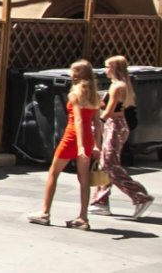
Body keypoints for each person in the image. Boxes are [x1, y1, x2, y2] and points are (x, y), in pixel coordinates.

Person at [28, 59, 101, 229]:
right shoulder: (95, 95)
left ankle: (45, 213)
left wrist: (80, 146)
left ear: (76, 74)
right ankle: (83, 218)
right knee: (84, 179)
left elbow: (78, 121)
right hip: (88, 139)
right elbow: (97, 123)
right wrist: (96, 145)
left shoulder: (74, 94)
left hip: (72, 138)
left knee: (53, 173)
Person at [90, 55, 154, 220]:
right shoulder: (119, 85)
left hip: (115, 126)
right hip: (116, 125)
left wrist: (98, 122)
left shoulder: (118, 86)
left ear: (115, 68)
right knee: (105, 164)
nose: (105, 70)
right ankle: (100, 201)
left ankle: (139, 195)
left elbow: (110, 109)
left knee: (110, 165)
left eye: (107, 67)